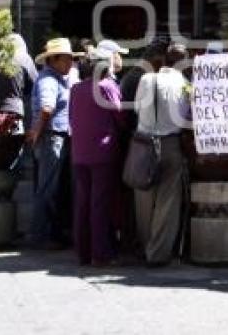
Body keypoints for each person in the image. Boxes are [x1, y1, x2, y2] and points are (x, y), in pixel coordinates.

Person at [69, 45, 125, 266]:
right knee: (100, 203)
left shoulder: (76, 89)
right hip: (103, 152)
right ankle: (100, 253)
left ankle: (83, 251)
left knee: (82, 202)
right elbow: (120, 117)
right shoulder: (107, 86)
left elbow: (72, 117)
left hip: (80, 152)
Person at [132, 43, 188, 266]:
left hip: (144, 144)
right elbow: (184, 118)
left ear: (165, 59)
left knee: (144, 198)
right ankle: (157, 253)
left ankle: (145, 246)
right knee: (167, 202)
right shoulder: (184, 85)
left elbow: (137, 108)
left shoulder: (146, 80)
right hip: (170, 144)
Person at [27, 37, 82, 249]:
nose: (70, 63)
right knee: (48, 187)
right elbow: (47, 108)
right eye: (67, 59)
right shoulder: (48, 79)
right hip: (52, 137)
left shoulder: (59, 78)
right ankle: (42, 235)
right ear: (54, 60)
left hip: (58, 136)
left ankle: (53, 233)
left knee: (54, 187)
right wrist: (37, 133)